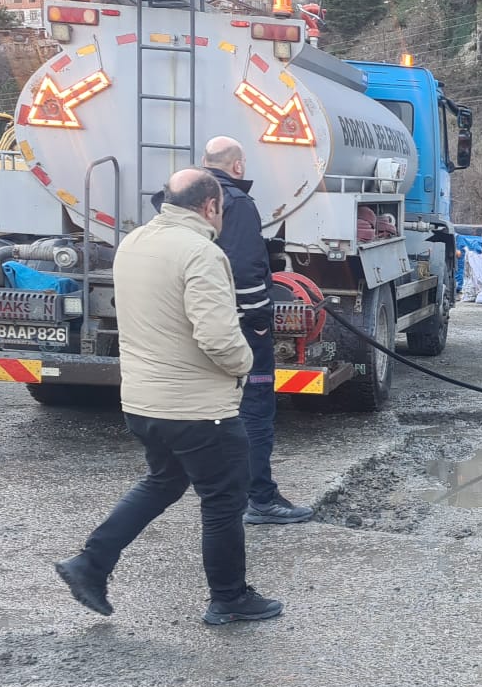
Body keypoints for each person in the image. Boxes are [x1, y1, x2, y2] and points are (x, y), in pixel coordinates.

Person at [55, 168, 285, 625]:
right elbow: (218, 337)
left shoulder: (134, 243)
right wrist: (246, 364)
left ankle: (89, 565)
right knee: (224, 502)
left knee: (163, 483)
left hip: (143, 404)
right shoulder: (201, 252)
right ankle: (229, 598)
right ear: (211, 206)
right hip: (198, 410)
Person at [202, 137, 312, 526]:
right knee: (255, 407)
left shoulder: (180, 199)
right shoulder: (238, 204)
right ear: (237, 167)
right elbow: (246, 269)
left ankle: (219, 491)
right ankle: (260, 499)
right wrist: (261, 319)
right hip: (241, 327)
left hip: (197, 324)